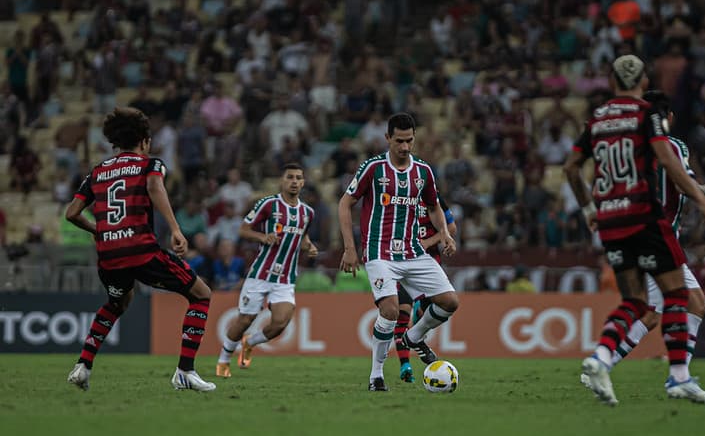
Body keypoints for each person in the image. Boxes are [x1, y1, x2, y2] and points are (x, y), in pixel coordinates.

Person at [563, 55, 705, 406]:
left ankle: (602, 360)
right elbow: (667, 162)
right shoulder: (647, 118)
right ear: (642, 80)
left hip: (610, 220)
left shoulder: (598, 119)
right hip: (647, 221)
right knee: (676, 298)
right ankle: (675, 377)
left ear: (612, 80)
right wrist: (701, 197)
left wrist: (589, 209)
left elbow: (571, 167)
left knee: (648, 304)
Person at [65, 107, 216, 392]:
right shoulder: (150, 165)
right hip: (140, 251)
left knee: (116, 304)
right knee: (201, 294)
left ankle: (83, 366)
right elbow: (155, 187)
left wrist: (100, 230)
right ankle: (185, 371)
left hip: (109, 256)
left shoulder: (98, 171)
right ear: (144, 141)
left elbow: (71, 213)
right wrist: (175, 229)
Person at [338, 113, 460, 392]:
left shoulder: (424, 171)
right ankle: (376, 375)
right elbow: (345, 204)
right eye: (399, 141)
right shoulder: (373, 167)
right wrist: (349, 248)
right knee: (391, 310)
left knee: (450, 301)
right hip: (379, 252)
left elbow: (433, 206)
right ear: (388, 139)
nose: (405, 147)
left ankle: (414, 337)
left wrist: (444, 233)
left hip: (413, 252)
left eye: (409, 141)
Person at [216, 163, 317, 378]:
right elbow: (243, 230)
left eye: (298, 178)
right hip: (260, 275)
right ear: (282, 180)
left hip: (285, 278)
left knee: (281, 322)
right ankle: (223, 359)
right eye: (290, 177)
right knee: (245, 320)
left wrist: (309, 245)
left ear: (303, 182)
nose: (294, 181)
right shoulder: (268, 205)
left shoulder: (308, 212)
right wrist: (263, 237)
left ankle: (250, 343)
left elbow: (303, 235)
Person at [394, 194, 457, 383]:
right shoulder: (396, 195)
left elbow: (451, 227)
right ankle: (405, 364)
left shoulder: (434, 197)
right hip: (401, 263)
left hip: (428, 266)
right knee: (402, 312)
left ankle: (416, 339)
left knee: (424, 312)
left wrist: (427, 243)